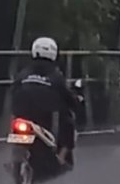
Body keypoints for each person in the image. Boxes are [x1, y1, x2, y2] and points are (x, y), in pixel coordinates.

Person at [10, 36, 78, 165]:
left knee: (15, 120)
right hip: (44, 115)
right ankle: (61, 157)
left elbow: (13, 90)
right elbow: (66, 96)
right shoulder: (55, 75)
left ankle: (15, 156)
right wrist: (75, 102)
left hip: (22, 114)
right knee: (67, 120)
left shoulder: (23, 73)